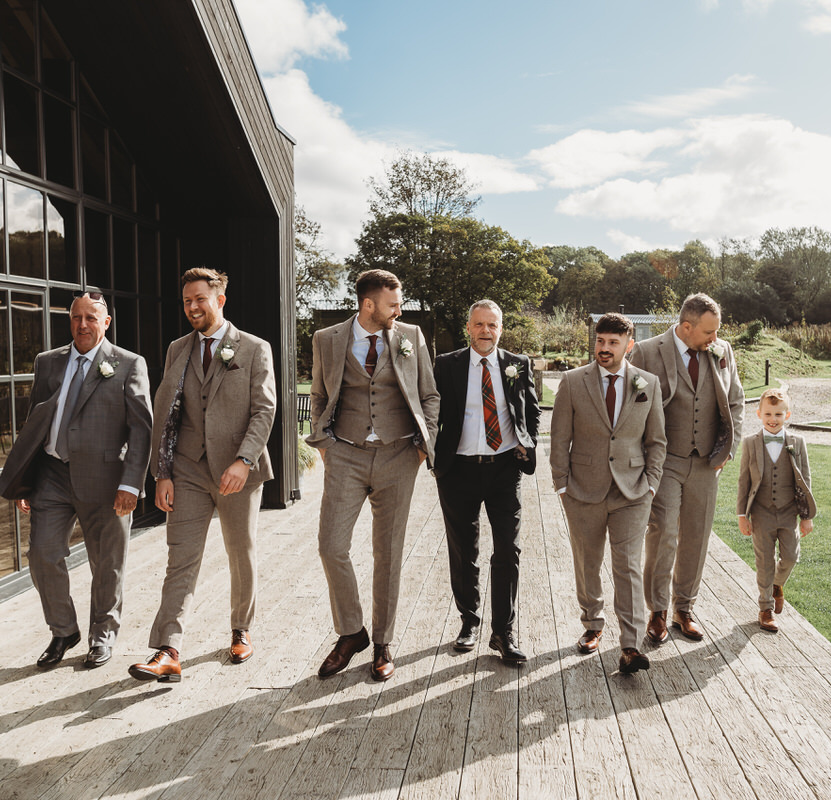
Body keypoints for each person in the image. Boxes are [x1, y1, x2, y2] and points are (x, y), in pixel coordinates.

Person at [128, 268, 277, 682]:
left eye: (200, 299)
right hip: (188, 469)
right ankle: (167, 649)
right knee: (181, 558)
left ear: (220, 300)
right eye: (187, 301)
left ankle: (241, 628)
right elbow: (167, 412)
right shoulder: (178, 348)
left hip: (237, 471)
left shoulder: (253, 347)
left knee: (240, 552)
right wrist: (162, 472)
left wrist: (243, 461)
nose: (192, 307)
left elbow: (265, 410)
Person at [0, 292, 153, 669]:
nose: (82, 325)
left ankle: (103, 634)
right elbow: (36, 422)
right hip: (51, 474)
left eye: (91, 318)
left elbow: (142, 429)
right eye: (76, 317)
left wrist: (131, 484)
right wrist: (26, 479)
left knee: (107, 562)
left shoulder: (129, 364)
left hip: (106, 479)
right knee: (42, 554)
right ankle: (63, 630)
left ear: (106, 322)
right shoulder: (47, 363)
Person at [307, 269, 439, 681]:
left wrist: (421, 447)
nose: (399, 310)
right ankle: (351, 632)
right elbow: (319, 392)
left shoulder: (410, 337)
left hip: (399, 455)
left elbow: (430, 395)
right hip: (344, 454)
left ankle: (382, 642)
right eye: (393, 304)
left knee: (389, 553)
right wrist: (324, 444)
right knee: (331, 546)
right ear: (368, 304)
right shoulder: (326, 339)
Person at [551, 312, 666, 674]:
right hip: (582, 490)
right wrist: (562, 485)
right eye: (600, 341)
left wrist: (651, 484)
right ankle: (592, 624)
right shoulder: (572, 382)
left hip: (633, 492)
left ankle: (630, 645)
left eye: (613, 343)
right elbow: (558, 440)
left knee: (628, 566)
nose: (604, 348)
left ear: (628, 346)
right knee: (587, 562)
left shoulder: (648, 383)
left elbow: (657, 441)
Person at [629, 293, 744, 643]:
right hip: (664, 462)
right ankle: (658, 611)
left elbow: (736, 402)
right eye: (709, 332)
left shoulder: (723, 352)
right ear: (685, 326)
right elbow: (631, 409)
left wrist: (728, 450)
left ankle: (684, 609)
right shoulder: (647, 352)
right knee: (663, 532)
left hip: (707, 463)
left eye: (717, 331)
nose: (715, 339)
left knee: (697, 536)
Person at [432, 300, 538, 664]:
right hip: (458, 470)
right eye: (479, 324)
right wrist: (431, 454)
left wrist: (528, 442)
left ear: (501, 328)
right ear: (468, 326)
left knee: (508, 550)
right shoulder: (447, 365)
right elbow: (431, 412)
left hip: (504, 469)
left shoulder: (517, 365)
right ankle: (469, 622)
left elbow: (532, 409)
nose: (485, 331)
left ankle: (503, 632)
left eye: (492, 325)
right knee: (464, 551)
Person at [735, 388, 817, 632]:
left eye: (778, 414)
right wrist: (742, 515)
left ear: (787, 415)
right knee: (764, 561)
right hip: (760, 512)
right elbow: (743, 481)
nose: (773, 419)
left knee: (791, 556)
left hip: (788, 510)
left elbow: (805, 480)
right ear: (759, 414)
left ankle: (777, 585)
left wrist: (807, 516)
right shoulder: (750, 443)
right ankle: (765, 608)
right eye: (768, 414)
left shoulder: (797, 443)